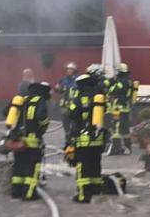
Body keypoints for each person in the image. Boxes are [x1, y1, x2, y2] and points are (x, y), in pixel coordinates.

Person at [66, 72, 106, 203]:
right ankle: (96, 190)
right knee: (95, 165)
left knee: (83, 167)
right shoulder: (98, 98)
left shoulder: (78, 99)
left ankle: (83, 195)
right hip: (98, 140)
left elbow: (71, 115)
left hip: (83, 141)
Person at [7, 82, 51, 200]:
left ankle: (16, 192)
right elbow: (42, 117)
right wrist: (43, 128)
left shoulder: (21, 100)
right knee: (32, 167)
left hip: (18, 141)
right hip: (32, 142)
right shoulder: (40, 101)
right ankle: (29, 193)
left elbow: (6, 112)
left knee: (19, 166)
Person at [105, 62, 135, 155]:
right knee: (125, 129)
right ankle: (127, 147)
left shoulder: (122, 82)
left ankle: (116, 149)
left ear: (120, 72)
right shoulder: (129, 81)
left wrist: (111, 84)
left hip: (119, 108)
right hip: (125, 108)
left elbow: (112, 90)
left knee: (116, 129)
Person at [56, 62, 79, 134]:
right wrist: (56, 88)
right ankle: (67, 134)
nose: (68, 71)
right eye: (67, 69)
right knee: (65, 122)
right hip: (64, 106)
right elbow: (59, 91)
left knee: (74, 121)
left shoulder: (77, 80)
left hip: (74, 105)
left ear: (74, 70)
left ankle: (74, 134)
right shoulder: (63, 80)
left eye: (70, 69)